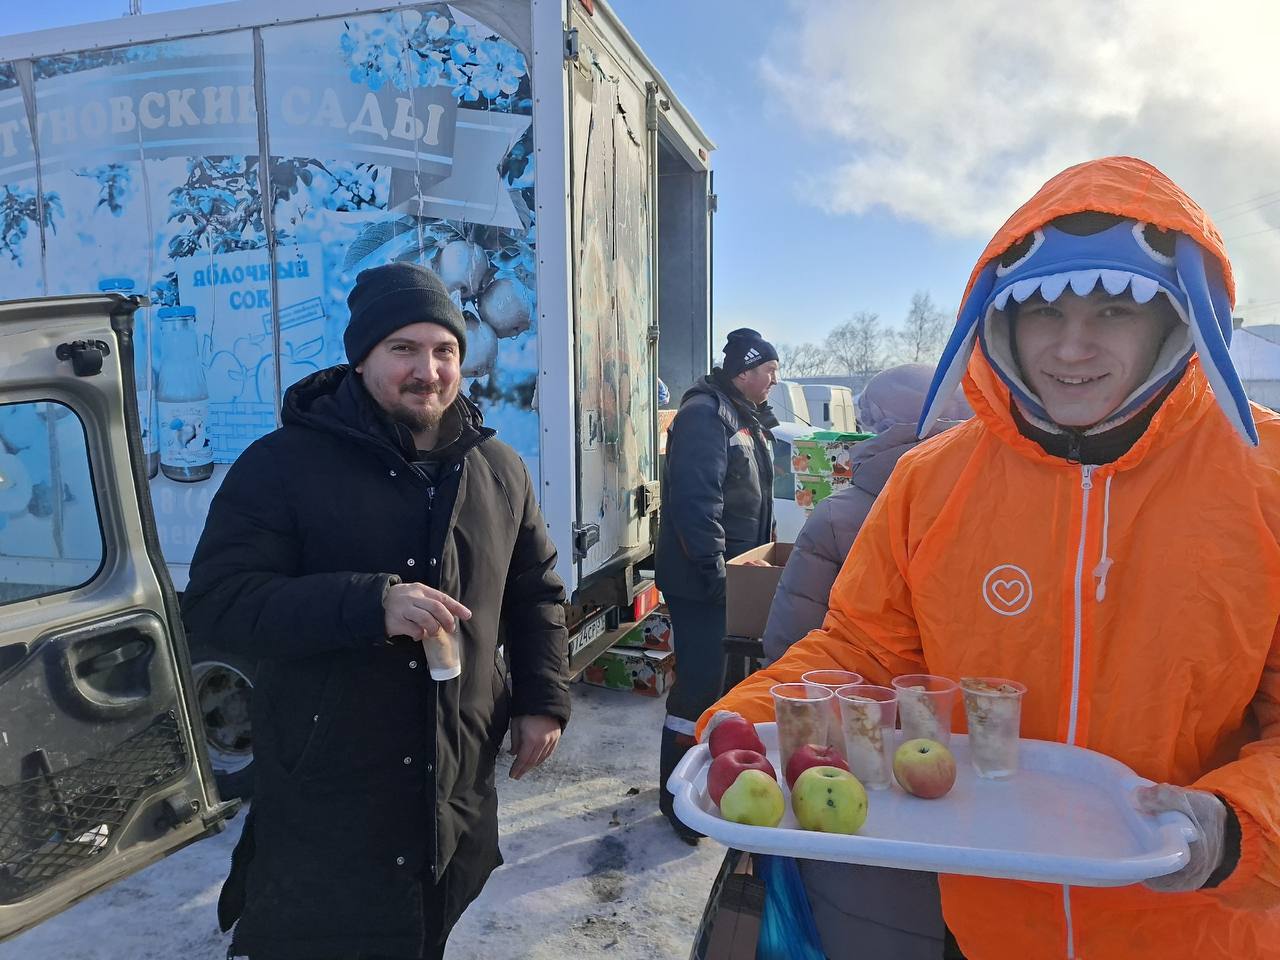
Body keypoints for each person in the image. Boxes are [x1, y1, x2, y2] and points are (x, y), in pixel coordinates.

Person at [696, 156, 1280, 959]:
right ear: (999, 319)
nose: (1072, 347)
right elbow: (863, 652)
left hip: (1198, 932)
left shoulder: (1265, 479)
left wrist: (1238, 827)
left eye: (1115, 309)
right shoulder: (932, 481)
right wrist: (742, 721)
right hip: (993, 927)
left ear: (1180, 317)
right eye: (1044, 313)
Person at [182, 262, 571, 960]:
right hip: (329, 812)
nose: (429, 369)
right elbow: (219, 601)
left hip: (451, 801)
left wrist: (544, 697)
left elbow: (536, 590)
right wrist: (368, 604)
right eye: (404, 349)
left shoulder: (499, 470)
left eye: (444, 350)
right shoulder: (283, 466)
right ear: (362, 360)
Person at [757, 363, 972, 959]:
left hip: (857, 782)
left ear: (874, 424)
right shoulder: (1003, 506)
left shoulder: (840, 513)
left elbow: (793, 652)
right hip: (987, 793)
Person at [656, 327, 780, 842]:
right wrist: (714, 574)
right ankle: (674, 800)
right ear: (742, 372)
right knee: (699, 688)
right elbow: (695, 502)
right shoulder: (706, 416)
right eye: (768, 370)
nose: (774, 379)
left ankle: (707, 785)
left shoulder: (743, 418)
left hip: (733, 580)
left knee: (725, 690)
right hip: (705, 582)